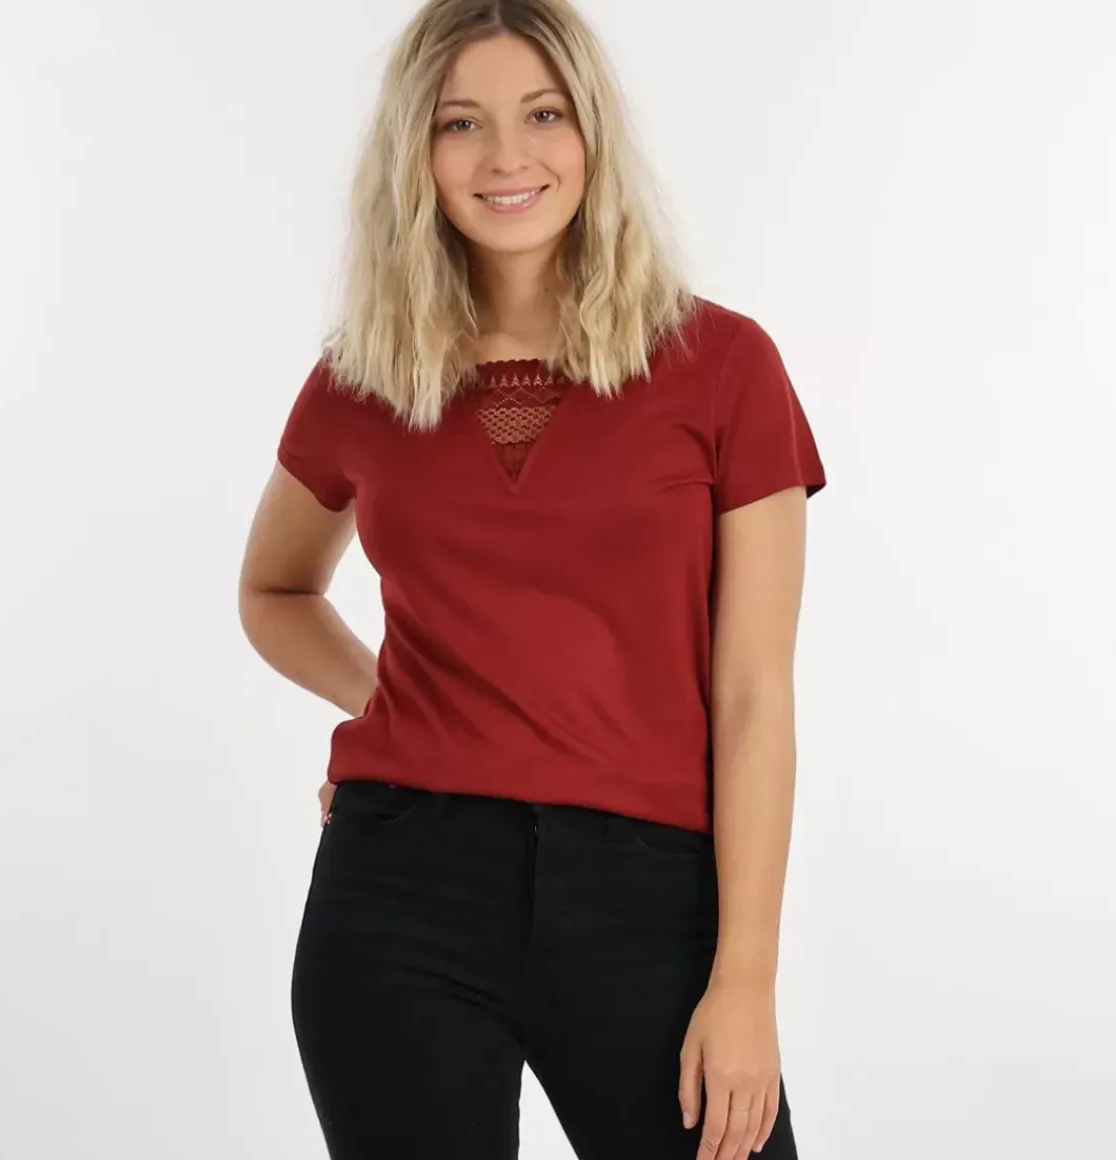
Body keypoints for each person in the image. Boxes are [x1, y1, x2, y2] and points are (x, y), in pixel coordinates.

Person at [238, 1, 827, 1156]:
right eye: (460, 123)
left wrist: (745, 978)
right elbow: (274, 590)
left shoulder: (721, 366)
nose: (506, 156)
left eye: (542, 114)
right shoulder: (363, 376)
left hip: (650, 900)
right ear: (414, 152)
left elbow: (755, 696)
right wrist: (394, 701)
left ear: (592, 131)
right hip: (399, 892)